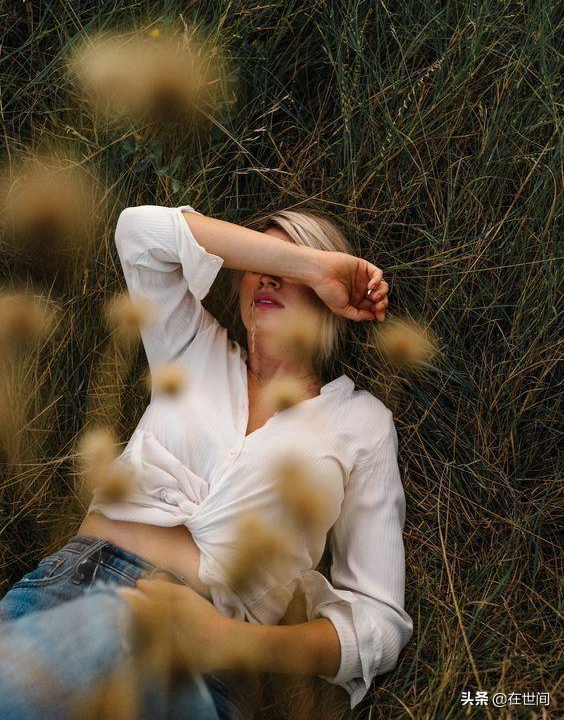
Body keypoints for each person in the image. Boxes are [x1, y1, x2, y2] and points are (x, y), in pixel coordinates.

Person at [0, 202, 413, 718]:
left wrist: (231, 640)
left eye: (293, 267)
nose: (268, 276)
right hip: (64, 591)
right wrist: (311, 267)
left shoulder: (362, 423)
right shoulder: (192, 349)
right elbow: (139, 232)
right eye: (263, 263)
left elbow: (378, 624)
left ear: (335, 300)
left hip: (207, 663)